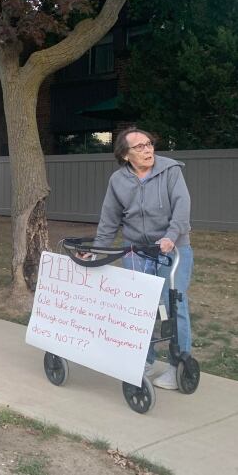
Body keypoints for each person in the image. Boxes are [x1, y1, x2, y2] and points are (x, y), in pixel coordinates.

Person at [94, 127, 194, 390]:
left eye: (149, 144)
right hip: (136, 250)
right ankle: (145, 359)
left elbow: (182, 208)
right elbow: (109, 220)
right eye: (139, 147)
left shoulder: (171, 170)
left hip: (171, 249)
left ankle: (178, 365)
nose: (148, 150)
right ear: (125, 155)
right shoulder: (118, 180)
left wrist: (171, 236)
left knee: (174, 306)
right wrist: (98, 252)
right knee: (141, 308)